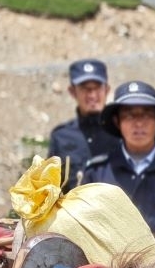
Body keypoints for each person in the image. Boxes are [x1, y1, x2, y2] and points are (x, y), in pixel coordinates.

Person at [81, 80, 155, 233]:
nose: (139, 124)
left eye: (147, 115)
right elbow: (83, 228)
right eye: (129, 115)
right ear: (117, 121)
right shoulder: (97, 173)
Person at [48, 58, 119, 190]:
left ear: (107, 90)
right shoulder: (61, 137)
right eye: (85, 89)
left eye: (97, 88)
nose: (92, 95)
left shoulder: (121, 133)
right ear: (72, 92)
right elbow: (51, 187)